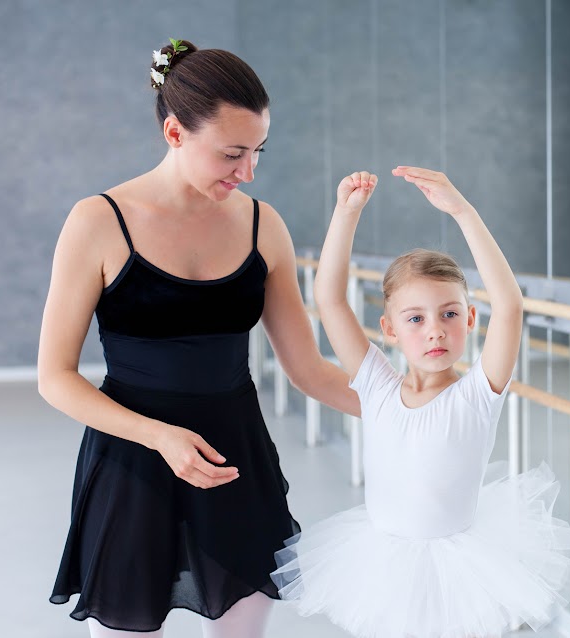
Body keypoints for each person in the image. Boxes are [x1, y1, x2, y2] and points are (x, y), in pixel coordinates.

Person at [37, 39, 359, 637]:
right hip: (132, 458)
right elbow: (54, 377)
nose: (248, 172)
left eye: (258, 152)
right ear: (174, 132)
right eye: (232, 153)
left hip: (236, 462)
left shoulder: (264, 225)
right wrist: (160, 437)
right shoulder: (97, 221)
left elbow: (309, 369)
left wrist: (412, 408)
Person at [271, 167, 570, 638]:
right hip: (385, 563)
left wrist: (463, 211)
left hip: (458, 569)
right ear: (390, 329)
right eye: (415, 318)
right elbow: (330, 299)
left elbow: (510, 305)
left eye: (449, 314)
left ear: (471, 319)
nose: (435, 330)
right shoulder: (377, 387)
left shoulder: (478, 393)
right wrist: (345, 214)